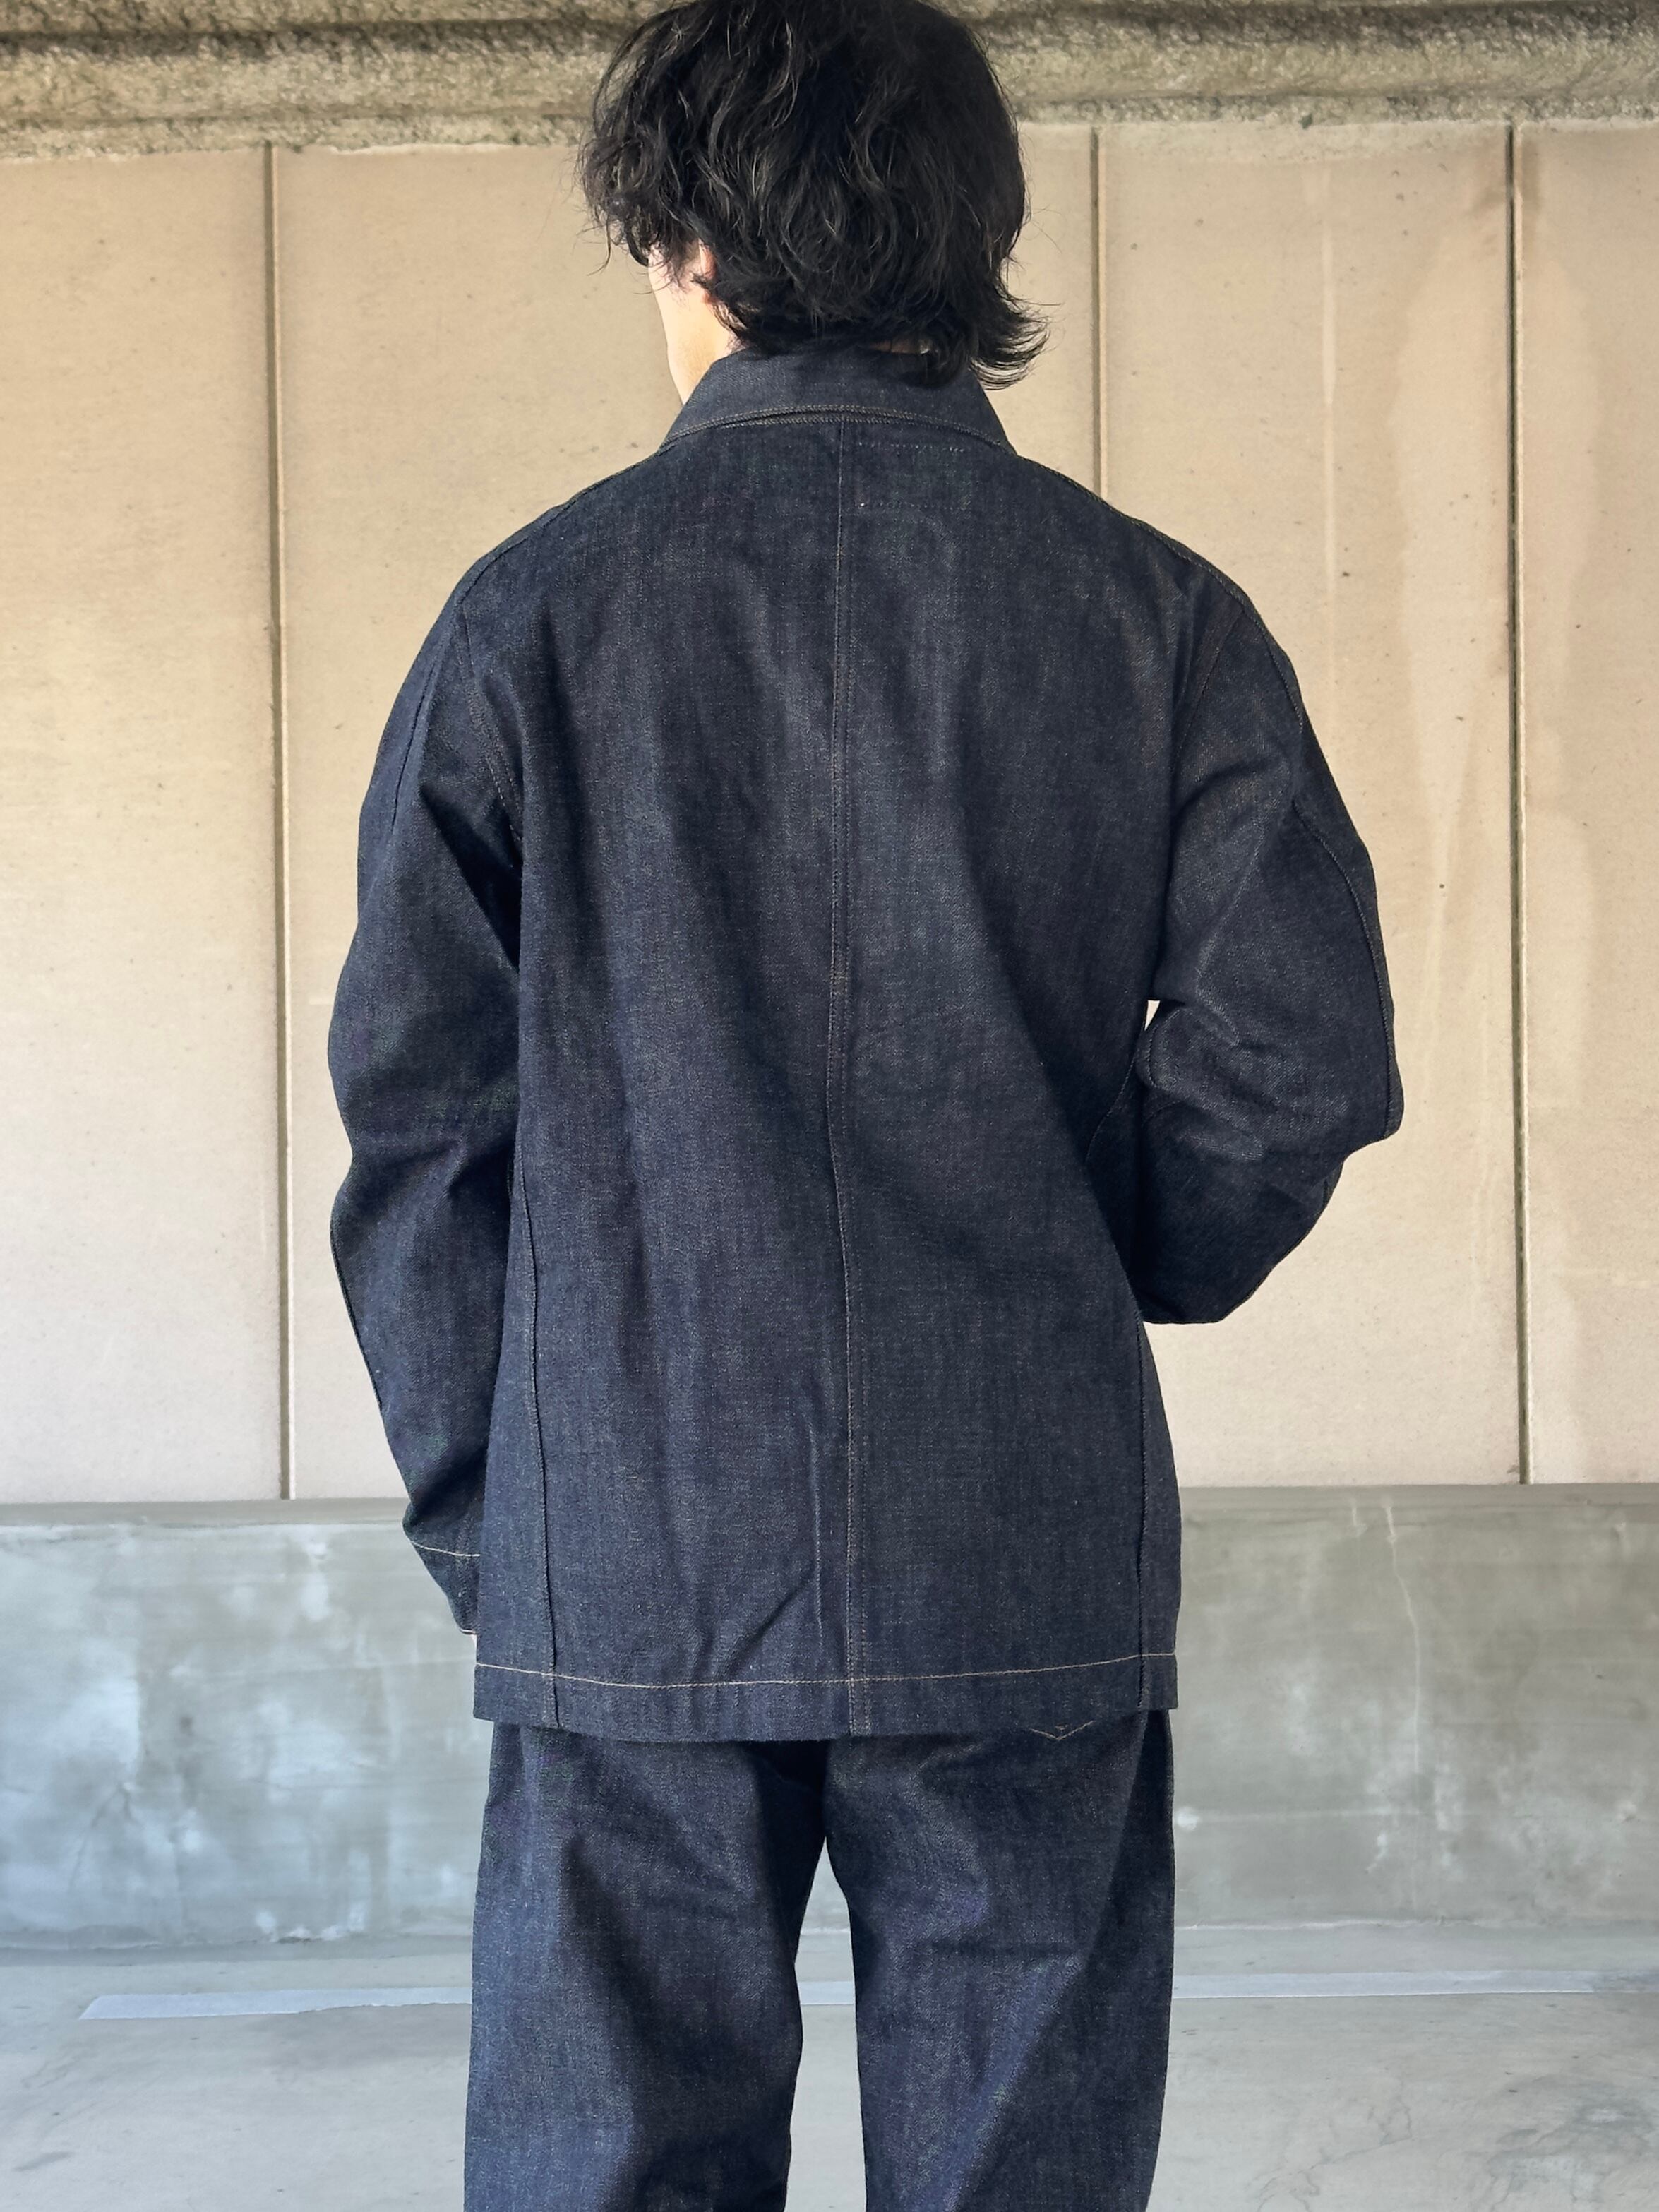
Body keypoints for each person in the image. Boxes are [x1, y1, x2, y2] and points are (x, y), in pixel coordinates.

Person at [327, 0, 1403, 2203]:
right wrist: (1097, 1254)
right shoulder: (1158, 618)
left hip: (630, 1536)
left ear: (689, 246)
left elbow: (424, 1122)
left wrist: (492, 1516)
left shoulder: (530, 618)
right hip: (1017, 1526)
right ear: (976, 241)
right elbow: (1295, 1055)